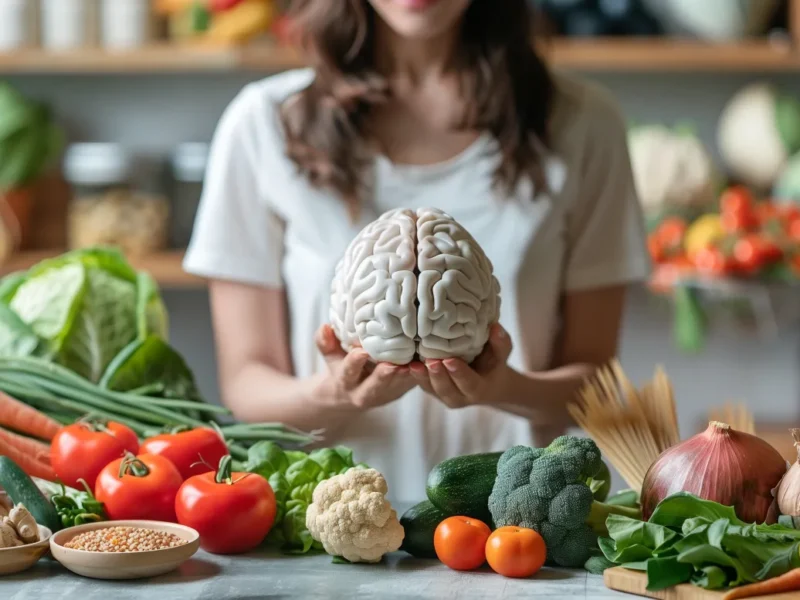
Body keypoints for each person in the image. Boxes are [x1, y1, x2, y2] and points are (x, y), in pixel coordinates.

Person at [184, 0, 650, 501]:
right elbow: (245, 382)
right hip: (322, 526)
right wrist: (333, 394)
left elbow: (595, 385)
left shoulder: (583, 125)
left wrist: (504, 388)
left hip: (515, 532)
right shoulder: (262, 126)